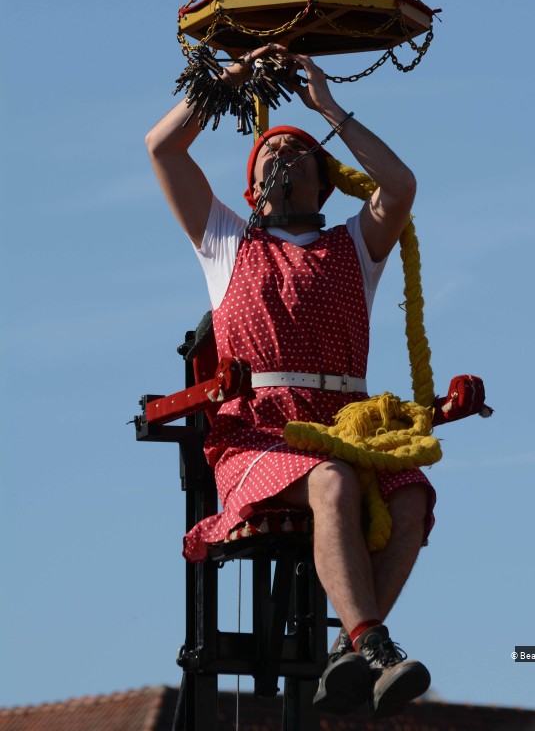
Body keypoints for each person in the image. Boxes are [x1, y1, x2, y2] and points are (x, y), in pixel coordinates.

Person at [146, 43, 435, 718]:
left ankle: (349, 654)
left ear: (323, 180)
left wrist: (326, 107)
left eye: (297, 152)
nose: (281, 156)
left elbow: (399, 187)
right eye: (268, 153)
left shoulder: (354, 246)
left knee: (412, 500)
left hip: (345, 424)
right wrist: (234, 79)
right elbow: (163, 148)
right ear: (251, 190)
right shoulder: (224, 241)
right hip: (257, 432)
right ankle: (373, 645)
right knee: (332, 481)